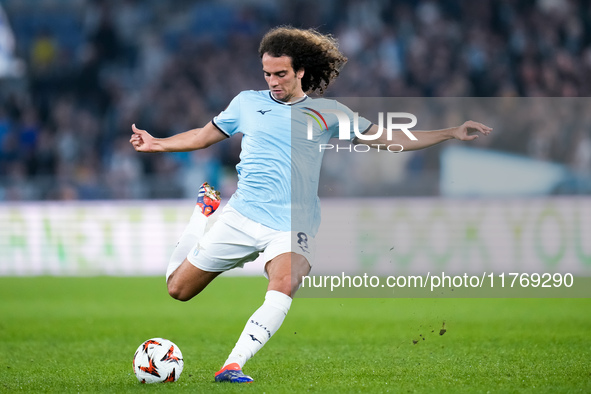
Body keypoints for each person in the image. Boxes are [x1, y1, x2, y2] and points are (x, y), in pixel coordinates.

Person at [129, 26, 492, 383]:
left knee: (285, 282)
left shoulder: (328, 113)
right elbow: (204, 135)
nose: (273, 81)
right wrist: (157, 143)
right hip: (241, 216)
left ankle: (232, 365)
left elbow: (389, 138)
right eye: (267, 74)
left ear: (300, 71)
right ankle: (201, 215)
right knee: (178, 290)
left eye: (281, 74)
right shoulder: (246, 102)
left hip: (293, 224)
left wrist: (449, 132)